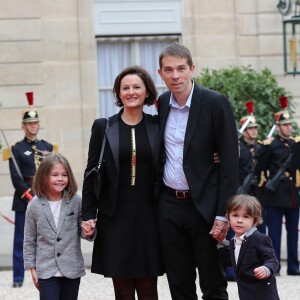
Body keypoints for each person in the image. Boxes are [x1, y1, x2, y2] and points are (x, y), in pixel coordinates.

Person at [156, 43, 239, 300]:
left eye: (181, 68)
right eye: (169, 70)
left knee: (213, 284)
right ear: (161, 74)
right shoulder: (162, 103)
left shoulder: (215, 103)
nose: (175, 75)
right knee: (179, 285)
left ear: (192, 69)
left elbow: (229, 164)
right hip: (169, 206)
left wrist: (223, 214)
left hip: (204, 207)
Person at [81, 66, 164, 300]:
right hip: (114, 217)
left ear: (147, 91)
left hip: (150, 217)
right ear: (118, 93)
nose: (131, 92)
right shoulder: (103, 126)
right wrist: (88, 214)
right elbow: (91, 173)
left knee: (149, 287)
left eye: (136, 87)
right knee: (123, 289)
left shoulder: (158, 125)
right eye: (124, 88)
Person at [3, 92, 57, 288]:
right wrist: (29, 196)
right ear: (23, 126)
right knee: (21, 240)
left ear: (38, 125)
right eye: (29, 123)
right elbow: (16, 178)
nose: (33, 126)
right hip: (23, 200)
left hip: (45, 198)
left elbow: (54, 173)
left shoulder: (48, 147)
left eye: (35, 123)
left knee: (47, 239)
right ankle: (18, 278)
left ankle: (49, 273)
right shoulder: (15, 149)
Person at [23, 153, 86, 300]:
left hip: (72, 269)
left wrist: (89, 230)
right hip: (46, 270)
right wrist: (32, 269)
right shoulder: (34, 205)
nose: (60, 179)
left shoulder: (76, 201)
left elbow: (83, 232)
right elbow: (29, 240)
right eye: (55, 175)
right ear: (44, 176)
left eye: (64, 175)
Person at [256, 95, 300, 276]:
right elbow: (259, 170)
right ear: (278, 126)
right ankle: (274, 266)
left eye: (290, 124)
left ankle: (293, 266)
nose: (288, 127)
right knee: (273, 234)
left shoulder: (296, 145)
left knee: (293, 234)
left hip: (292, 195)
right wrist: (263, 189)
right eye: (285, 125)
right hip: (274, 195)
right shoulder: (269, 146)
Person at [217, 194, 280, 300]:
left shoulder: (260, 238)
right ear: (228, 218)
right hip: (245, 293)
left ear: (255, 220)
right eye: (235, 215)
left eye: (245, 216)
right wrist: (221, 241)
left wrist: (266, 269)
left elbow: (272, 260)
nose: (239, 220)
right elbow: (231, 261)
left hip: (263, 294)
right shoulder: (233, 241)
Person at [238, 100, 266, 233]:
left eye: (255, 128)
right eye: (251, 128)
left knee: (259, 230)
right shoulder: (237, 147)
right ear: (244, 131)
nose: (254, 131)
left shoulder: (260, 147)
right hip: (241, 192)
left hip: (257, 194)